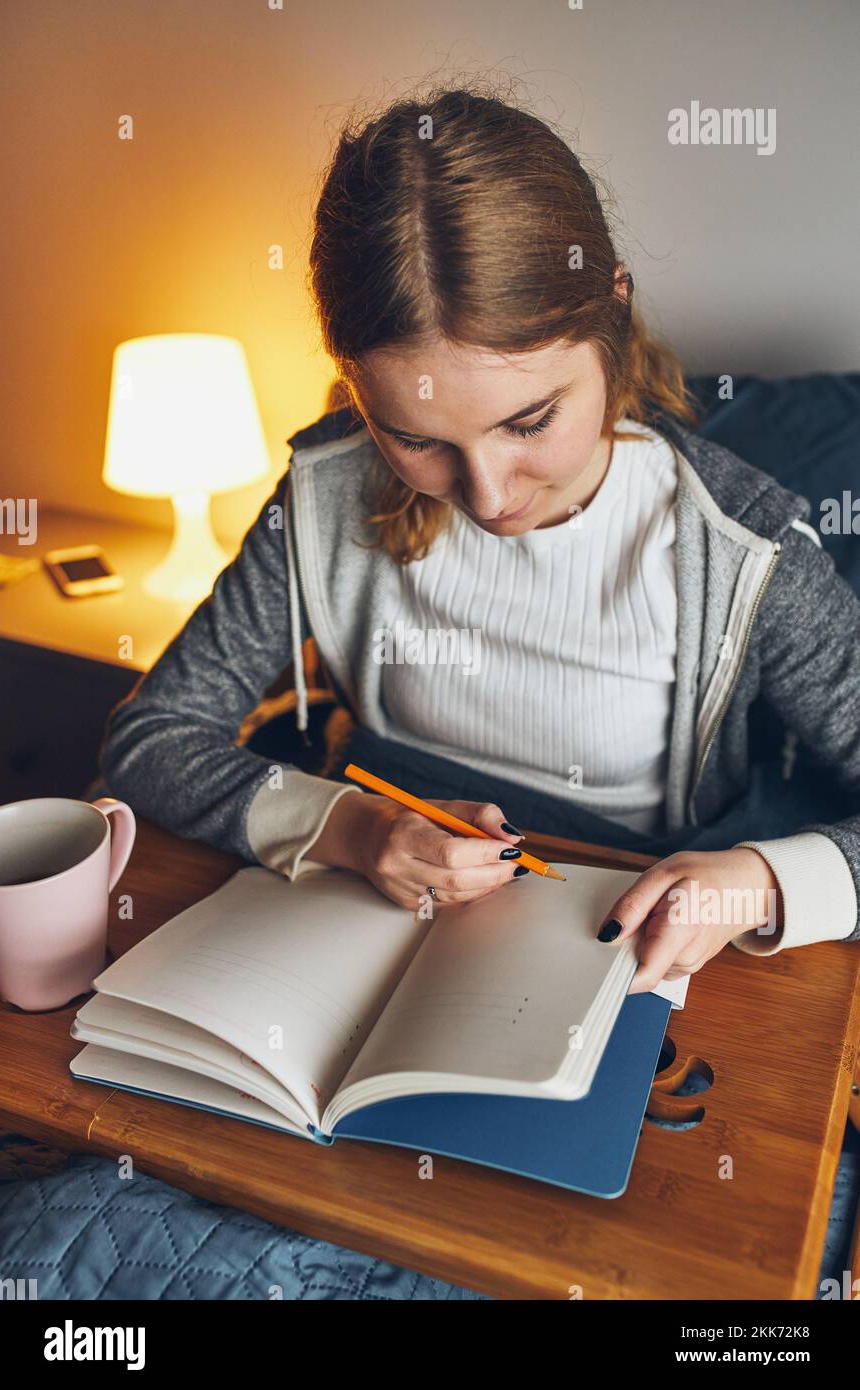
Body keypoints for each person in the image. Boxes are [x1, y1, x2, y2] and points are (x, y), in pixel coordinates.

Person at [100, 84, 860, 995]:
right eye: (417, 440)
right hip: (353, 927)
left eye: (531, 420)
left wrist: (767, 882)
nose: (491, 498)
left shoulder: (748, 549)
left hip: (637, 955)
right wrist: (349, 827)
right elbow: (149, 741)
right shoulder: (322, 493)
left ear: (612, 309)